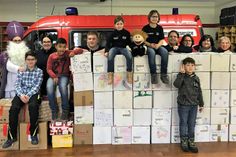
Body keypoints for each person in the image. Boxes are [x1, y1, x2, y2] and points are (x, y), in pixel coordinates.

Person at [2, 51, 43, 148]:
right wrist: (21, 95)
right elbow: (17, 84)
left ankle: (33, 135)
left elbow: (36, 86)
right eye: (28, 59)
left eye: (32, 59)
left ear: (36, 60)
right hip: (21, 93)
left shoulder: (39, 72)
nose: (30, 61)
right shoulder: (22, 70)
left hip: (33, 93)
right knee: (14, 108)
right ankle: (11, 137)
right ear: (25, 60)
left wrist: (27, 96)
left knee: (33, 106)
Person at [47, 38, 83, 120]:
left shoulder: (67, 53)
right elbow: (48, 69)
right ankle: (54, 110)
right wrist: (54, 76)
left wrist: (73, 52)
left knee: (63, 87)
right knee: (49, 87)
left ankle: (65, 110)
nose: (62, 49)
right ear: (56, 46)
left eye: (64, 47)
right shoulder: (52, 56)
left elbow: (80, 50)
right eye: (60, 46)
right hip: (54, 75)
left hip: (64, 75)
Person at [173, 57, 204, 153]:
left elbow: (199, 91)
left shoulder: (196, 78)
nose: (190, 67)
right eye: (187, 65)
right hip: (183, 105)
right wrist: (181, 74)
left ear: (194, 67)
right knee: (183, 123)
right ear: (183, 66)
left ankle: (191, 141)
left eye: (192, 65)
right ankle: (184, 141)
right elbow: (176, 85)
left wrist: (201, 103)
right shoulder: (181, 76)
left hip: (194, 105)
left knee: (191, 123)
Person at [142, 10, 169, 84]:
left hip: (158, 45)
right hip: (149, 46)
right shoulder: (145, 28)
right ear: (149, 18)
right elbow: (143, 40)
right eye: (153, 16)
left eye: (156, 17)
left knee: (165, 52)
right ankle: (153, 75)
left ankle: (163, 75)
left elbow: (161, 39)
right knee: (151, 53)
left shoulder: (160, 28)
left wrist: (158, 45)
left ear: (158, 18)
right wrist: (150, 45)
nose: (155, 18)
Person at [4, 21, 30, 98]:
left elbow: (29, 63)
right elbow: (8, 65)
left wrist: (25, 68)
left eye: (19, 40)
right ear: (11, 41)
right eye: (15, 41)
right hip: (12, 82)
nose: (18, 42)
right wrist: (18, 68)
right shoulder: (7, 53)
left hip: (24, 81)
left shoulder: (26, 51)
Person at [105, 16, 132, 85]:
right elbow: (108, 43)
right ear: (114, 25)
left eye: (121, 24)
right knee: (110, 56)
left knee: (129, 56)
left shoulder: (127, 33)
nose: (119, 25)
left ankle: (129, 74)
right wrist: (106, 51)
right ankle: (110, 75)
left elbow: (130, 43)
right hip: (115, 48)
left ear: (123, 24)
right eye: (117, 24)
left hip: (124, 48)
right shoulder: (112, 34)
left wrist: (131, 49)